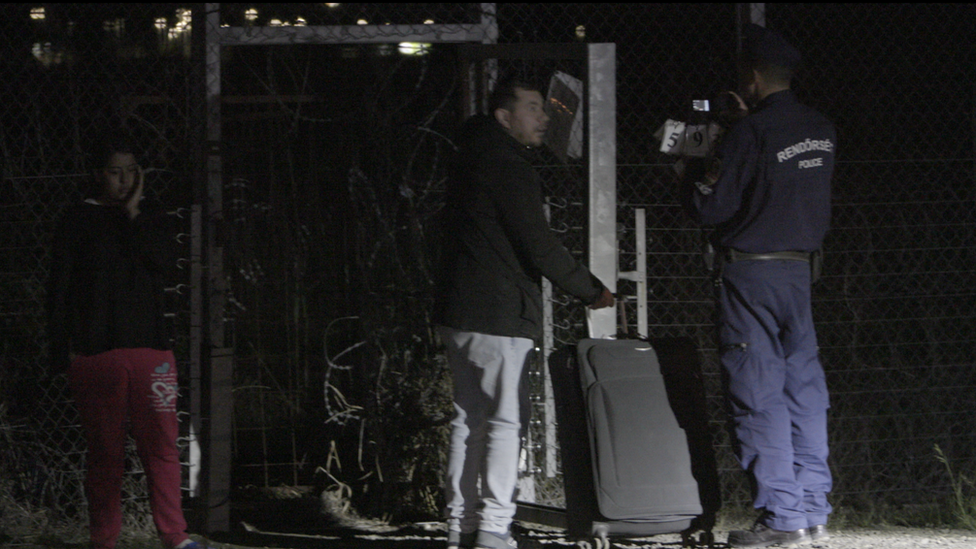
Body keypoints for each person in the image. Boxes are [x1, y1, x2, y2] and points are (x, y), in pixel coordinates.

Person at [434, 78, 615, 549]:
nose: (544, 117)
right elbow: (538, 245)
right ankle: (495, 527)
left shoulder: (465, 158)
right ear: (504, 116)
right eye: (533, 108)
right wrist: (590, 289)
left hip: (458, 310)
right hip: (500, 313)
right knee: (504, 421)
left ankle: (461, 525)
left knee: (467, 420)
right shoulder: (509, 167)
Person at [682, 24, 836, 548]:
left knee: (757, 393)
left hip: (750, 274)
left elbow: (713, 207)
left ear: (750, 78)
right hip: (800, 273)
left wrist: (696, 166)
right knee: (805, 392)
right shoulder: (822, 130)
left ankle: (781, 517)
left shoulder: (750, 135)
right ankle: (814, 509)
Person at [46, 135, 210, 549]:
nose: (124, 179)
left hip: (151, 350)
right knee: (106, 452)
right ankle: (105, 539)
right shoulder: (77, 219)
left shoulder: (150, 216)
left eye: (132, 171)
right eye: (115, 171)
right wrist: (59, 347)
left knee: (162, 446)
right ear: (99, 174)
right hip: (97, 352)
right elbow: (59, 287)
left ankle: (174, 535)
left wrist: (135, 211)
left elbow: (162, 263)